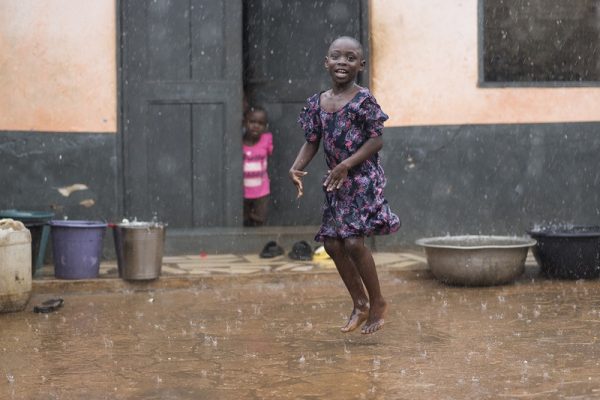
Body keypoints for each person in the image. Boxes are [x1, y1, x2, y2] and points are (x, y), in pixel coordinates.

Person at [289, 36, 400, 334]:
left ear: (360, 66)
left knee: (352, 241)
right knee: (331, 244)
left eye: (351, 58)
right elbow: (312, 141)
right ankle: (359, 303)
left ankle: (377, 302)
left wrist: (347, 164)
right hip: (336, 182)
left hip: (362, 179)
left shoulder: (363, 100)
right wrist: (297, 167)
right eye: (336, 56)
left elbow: (376, 140)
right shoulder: (317, 103)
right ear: (326, 62)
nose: (342, 62)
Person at [243, 106, 273, 227]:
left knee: (260, 217)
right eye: (252, 122)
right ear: (245, 122)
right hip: (243, 188)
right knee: (243, 218)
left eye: (260, 123)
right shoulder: (239, 141)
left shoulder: (266, 140)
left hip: (261, 188)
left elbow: (269, 152)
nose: (256, 126)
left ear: (265, 126)